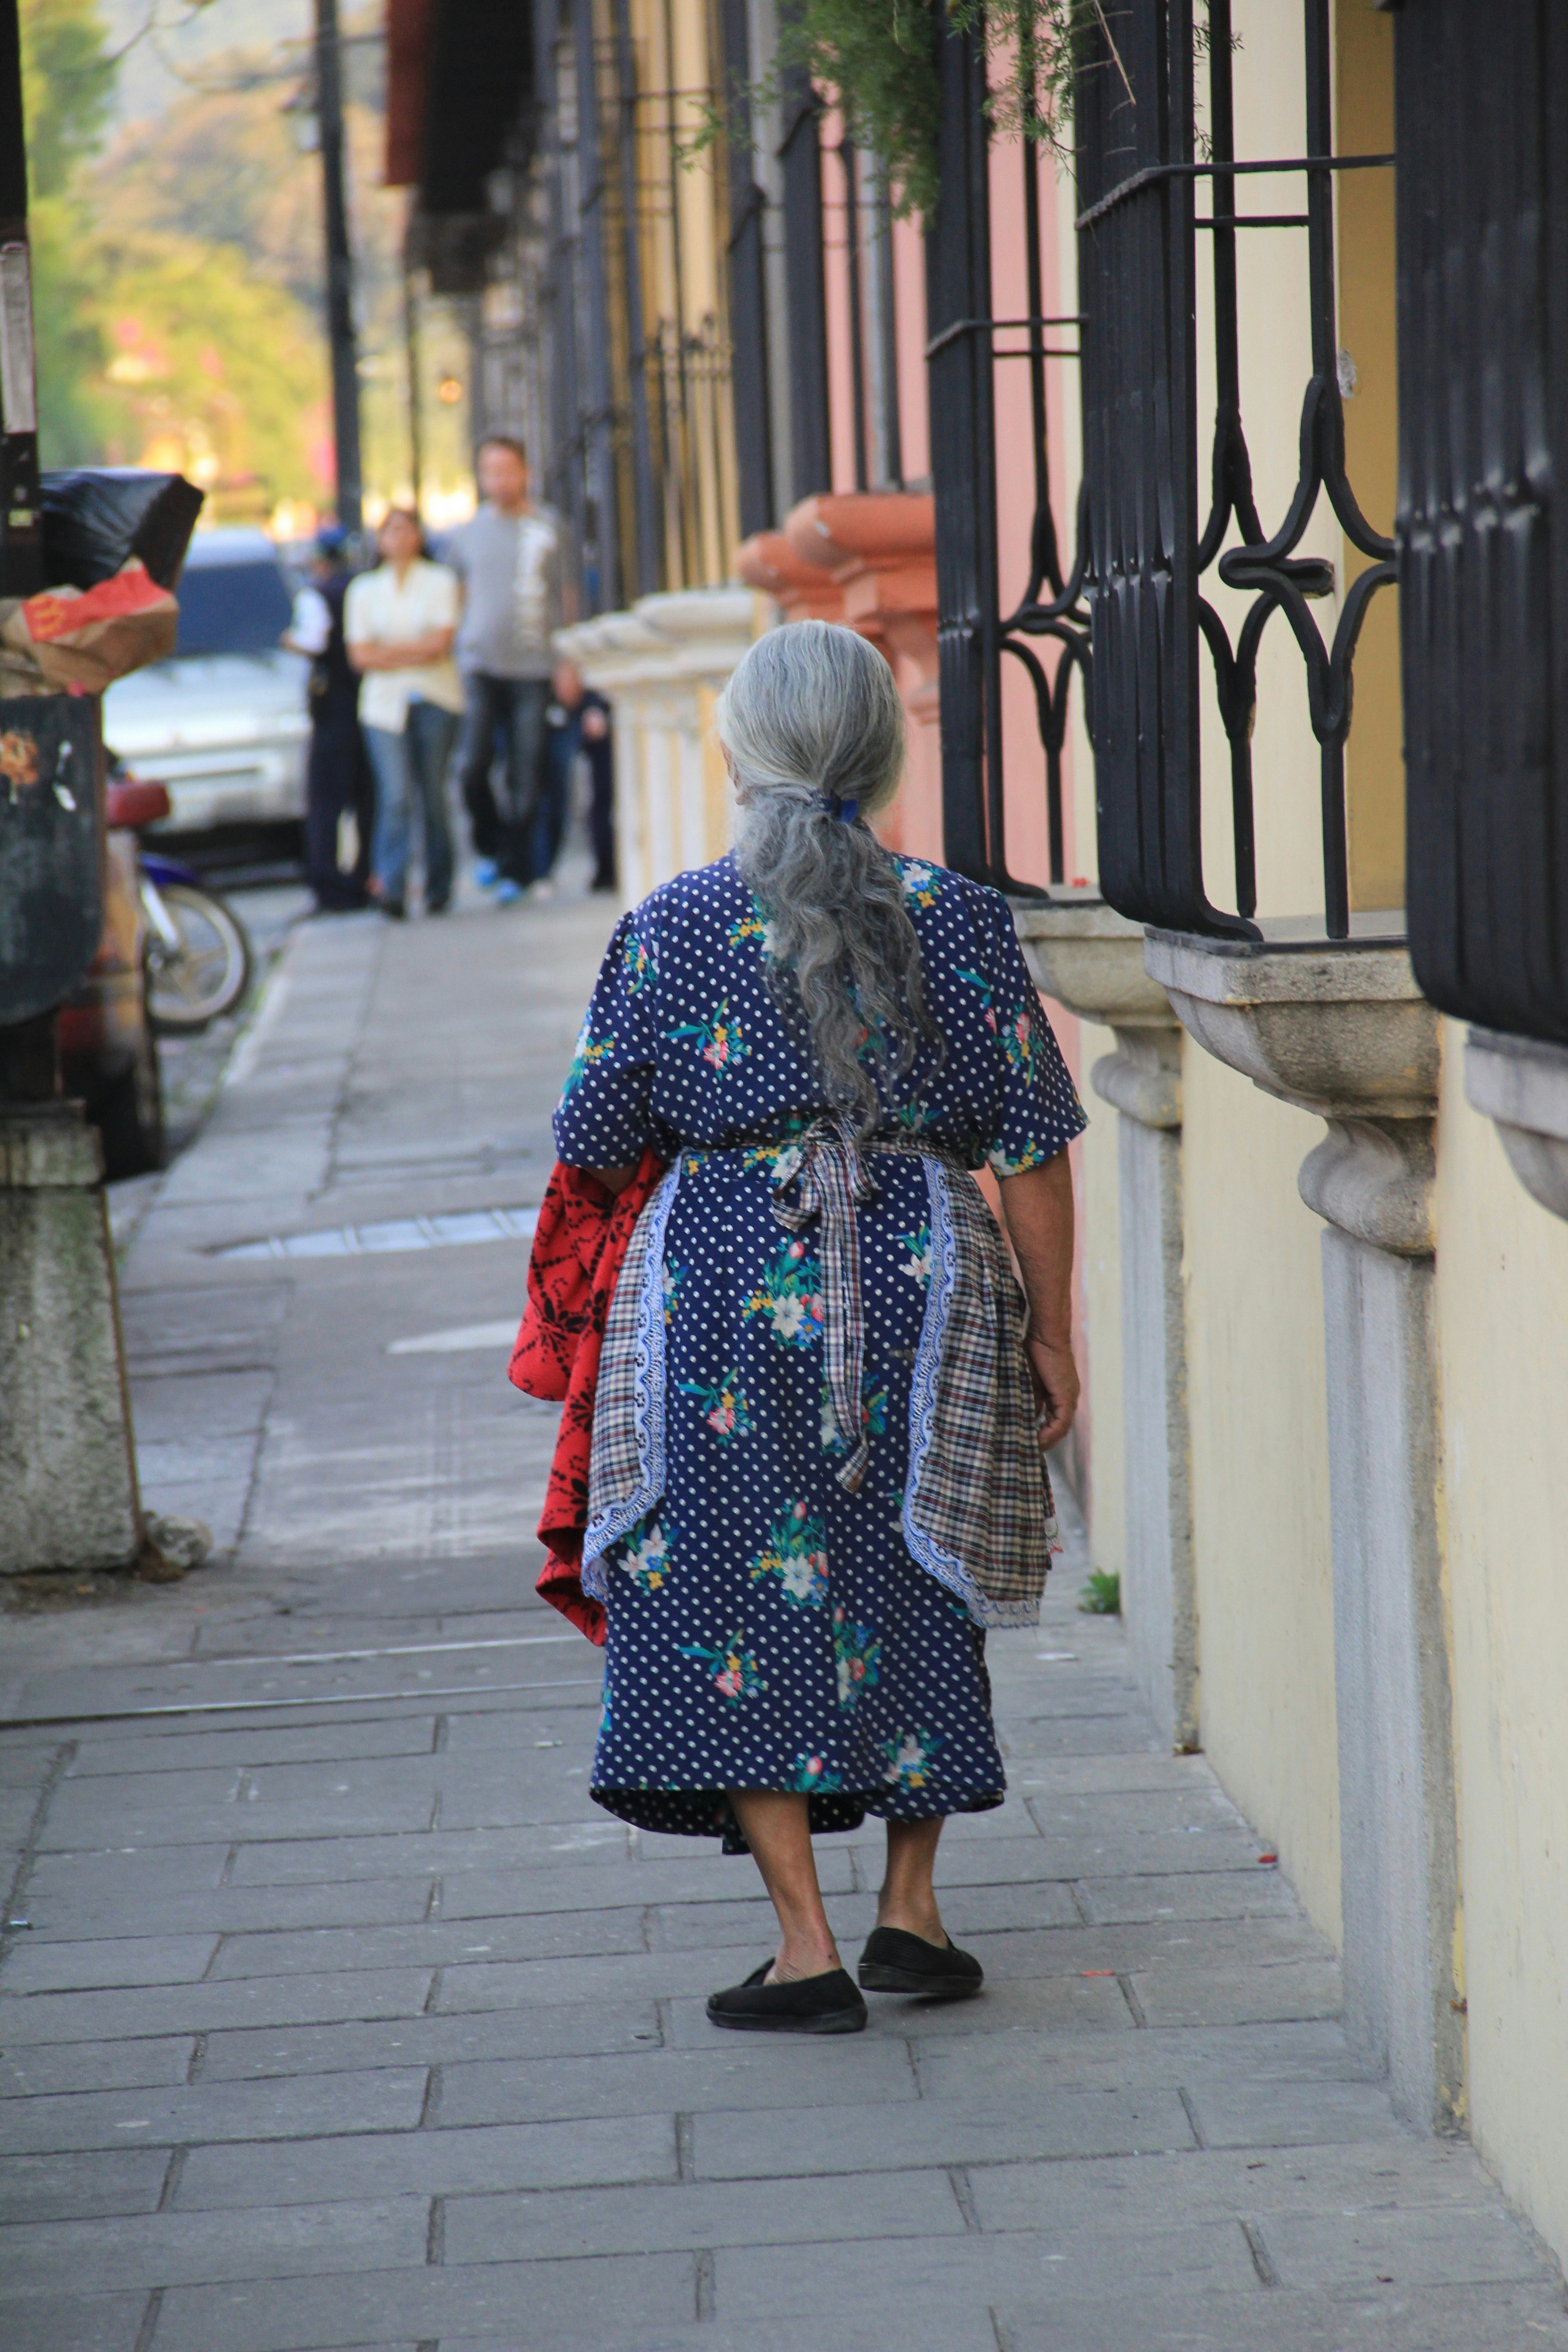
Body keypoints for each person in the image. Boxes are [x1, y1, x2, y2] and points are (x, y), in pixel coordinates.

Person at [552, 619, 1087, 2034]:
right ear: (882, 753)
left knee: (732, 1583)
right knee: (924, 1563)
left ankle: (807, 1948)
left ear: (737, 753)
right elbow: (1031, 1146)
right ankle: (912, 1909)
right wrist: (1051, 1331)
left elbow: (597, 1133)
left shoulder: (670, 924)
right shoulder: (960, 915)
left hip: (721, 1279)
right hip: (927, 1264)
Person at [446, 436, 566, 906]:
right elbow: (456, 597)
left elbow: (567, 594)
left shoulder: (550, 527)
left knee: (526, 774)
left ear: (525, 473)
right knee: (471, 767)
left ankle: (517, 869)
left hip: (534, 668)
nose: (499, 479)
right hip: (479, 664)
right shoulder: (466, 535)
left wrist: (568, 662)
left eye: (507, 469)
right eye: (490, 470)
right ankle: (490, 848)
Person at [344, 510, 464, 919]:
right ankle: (391, 886)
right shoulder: (364, 590)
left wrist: (387, 653)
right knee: (395, 795)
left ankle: (438, 885)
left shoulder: (440, 581)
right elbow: (360, 654)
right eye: (390, 531)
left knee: (433, 793)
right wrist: (412, 651)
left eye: (406, 530)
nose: (399, 539)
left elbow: (440, 644)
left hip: (434, 697)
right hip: (383, 706)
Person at [283, 524, 374, 914]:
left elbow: (314, 641)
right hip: (364, 702)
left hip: (332, 705)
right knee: (367, 798)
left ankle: (328, 884)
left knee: (325, 802)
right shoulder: (362, 589)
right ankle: (363, 878)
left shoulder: (316, 595)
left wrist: (290, 640)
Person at [532, 657, 614, 899]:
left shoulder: (594, 703)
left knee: (600, 803)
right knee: (550, 804)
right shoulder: (546, 704)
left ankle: (606, 870)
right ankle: (542, 870)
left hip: (591, 747)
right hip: (559, 744)